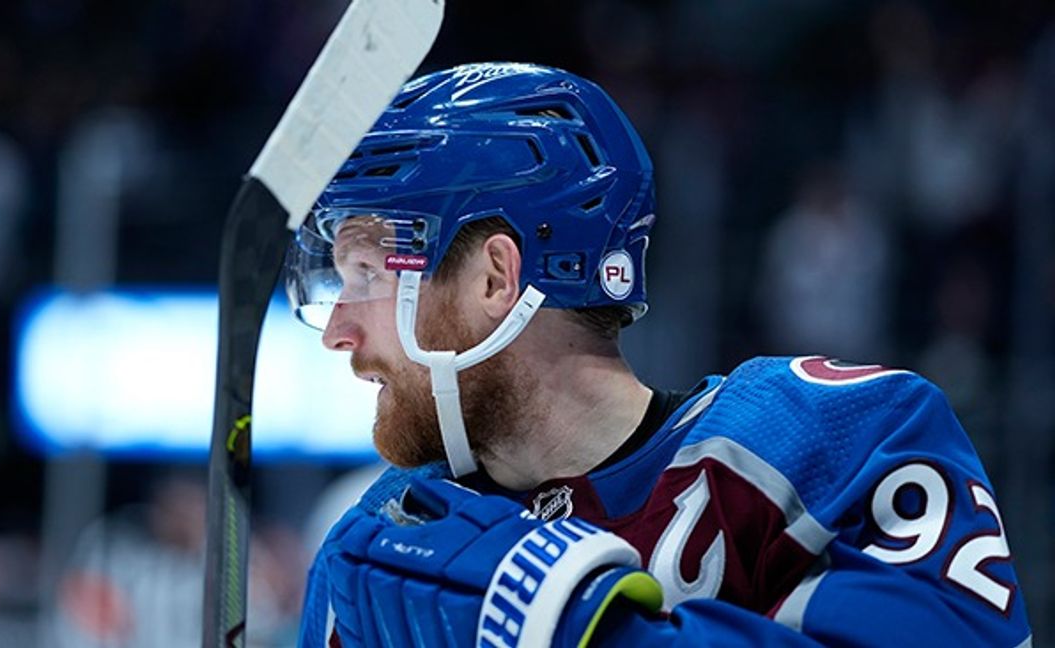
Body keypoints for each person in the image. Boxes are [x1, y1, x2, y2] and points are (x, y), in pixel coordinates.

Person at [286, 62, 1031, 646]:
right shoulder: (392, 543)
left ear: (493, 279)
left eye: (366, 274)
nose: (337, 332)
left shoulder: (837, 439)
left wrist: (577, 623)